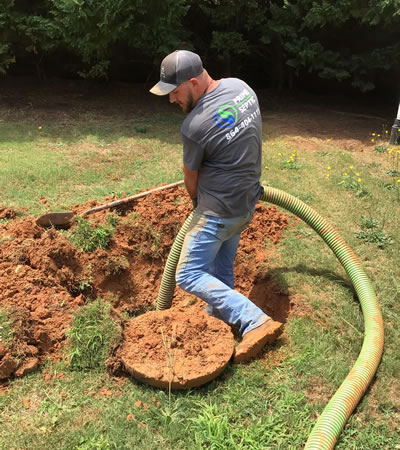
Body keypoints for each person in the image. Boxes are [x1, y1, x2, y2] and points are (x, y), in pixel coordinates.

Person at [150, 50, 283, 363]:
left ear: (193, 83)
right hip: (245, 203)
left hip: (219, 211)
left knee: (188, 274)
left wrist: (198, 207)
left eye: (174, 92)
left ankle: (254, 320)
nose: (171, 100)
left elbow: (191, 181)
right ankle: (218, 323)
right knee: (221, 269)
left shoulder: (194, 126)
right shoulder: (242, 89)